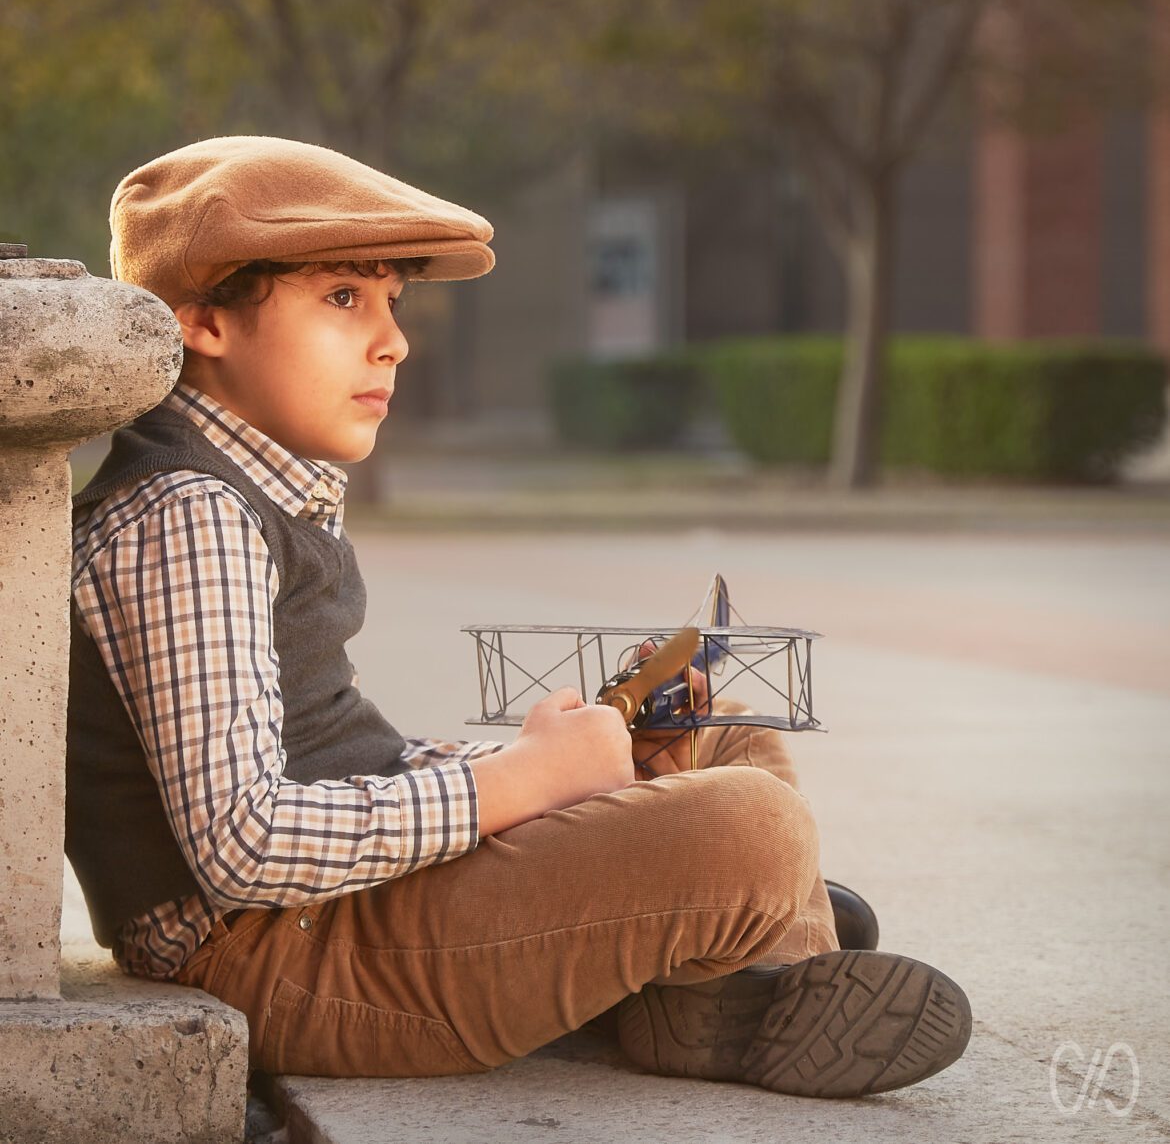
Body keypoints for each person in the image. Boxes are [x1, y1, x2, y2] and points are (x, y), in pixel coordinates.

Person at [67, 135, 971, 1097]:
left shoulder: (254, 495)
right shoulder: (187, 515)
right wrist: (524, 785)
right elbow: (248, 846)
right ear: (201, 322)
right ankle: (734, 955)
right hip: (276, 960)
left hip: (341, 915)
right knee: (752, 831)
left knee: (719, 735)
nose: (394, 340)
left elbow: (330, 755)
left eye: (392, 301)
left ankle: (718, 969)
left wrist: (556, 768)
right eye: (343, 298)